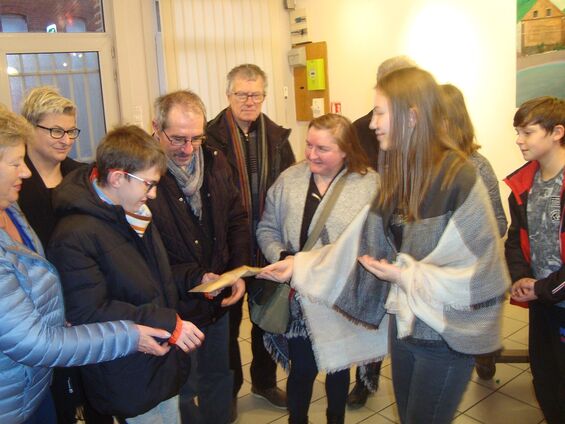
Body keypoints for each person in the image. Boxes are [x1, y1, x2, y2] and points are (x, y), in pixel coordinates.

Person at [260, 68, 510, 424]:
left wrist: (405, 274)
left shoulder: (458, 176)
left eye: (379, 112)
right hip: (406, 326)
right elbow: (359, 243)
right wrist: (298, 265)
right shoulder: (399, 172)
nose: (372, 123)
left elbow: (483, 273)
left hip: (445, 335)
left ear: (411, 116)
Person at [0, 107, 174, 424]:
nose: (25, 172)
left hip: (35, 388)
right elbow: (34, 341)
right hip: (11, 396)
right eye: (14, 163)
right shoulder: (78, 231)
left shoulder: (10, 211)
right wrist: (129, 335)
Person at [47, 125, 205, 423]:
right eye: (148, 184)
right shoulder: (74, 235)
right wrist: (167, 320)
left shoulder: (132, 210)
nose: (153, 194)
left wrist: (194, 279)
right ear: (118, 177)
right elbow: (88, 311)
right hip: (126, 370)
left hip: (158, 359)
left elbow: (152, 275)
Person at [256, 113, 382, 424]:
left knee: (339, 367)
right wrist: (284, 256)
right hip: (299, 296)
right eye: (309, 145)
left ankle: (335, 418)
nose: (311, 154)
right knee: (303, 369)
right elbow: (266, 229)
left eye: (322, 149)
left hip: (341, 295)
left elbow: (375, 240)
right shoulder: (289, 180)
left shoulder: (368, 184)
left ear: (345, 150)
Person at [149, 90, 249, 424]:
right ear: (155, 129)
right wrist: (195, 277)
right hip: (174, 306)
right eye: (177, 138)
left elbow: (237, 219)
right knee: (180, 388)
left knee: (218, 377)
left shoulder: (217, 161)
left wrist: (236, 272)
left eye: (196, 137)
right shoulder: (143, 176)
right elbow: (146, 256)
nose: (188, 149)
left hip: (215, 301)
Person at [206, 63, 294, 417]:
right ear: (227, 95)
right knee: (226, 325)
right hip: (225, 247)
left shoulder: (277, 137)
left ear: (264, 96)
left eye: (255, 94)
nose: (249, 101)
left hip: (265, 244)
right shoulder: (209, 138)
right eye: (241, 94)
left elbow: (288, 188)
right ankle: (228, 391)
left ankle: (264, 381)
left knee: (264, 319)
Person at [18, 86, 108, 424]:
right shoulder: (14, 182)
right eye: (55, 130)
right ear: (29, 128)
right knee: (59, 397)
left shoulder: (80, 175)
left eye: (71, 131)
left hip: (84, 296)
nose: (65, 139)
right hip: (40, 307)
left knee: (96, 387)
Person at [347, 55, 417, 409]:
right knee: (371, 309)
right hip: (374, 229)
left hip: (412, 236)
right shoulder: (361, 129)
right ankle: (366, 376)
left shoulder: (425, 132)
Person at [504, 96, 565, 424]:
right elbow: (516, 239)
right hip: (542, 302)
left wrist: (543, 288)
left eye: (527, 132)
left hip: (555, 296)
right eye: (517, 131)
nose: (518, 140)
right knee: (544, 379)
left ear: (557, 132)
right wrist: (521, 278)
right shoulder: (524, 183)